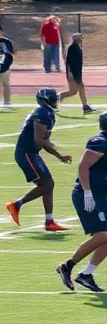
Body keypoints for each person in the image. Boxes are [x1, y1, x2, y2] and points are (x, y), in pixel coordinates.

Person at [55, 110, 107, 293]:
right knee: (101, 236)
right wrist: (87, 192)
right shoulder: (100, 142)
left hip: (100, 194)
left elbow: (100, 172)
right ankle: (67, 266)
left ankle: (86, 275)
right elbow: (84, 166)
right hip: (87, 195)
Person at [6, 87, 72, 232]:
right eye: (54, 99)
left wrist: (59, 156)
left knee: (49, 184)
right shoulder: (42, 113)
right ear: (47, 100)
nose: (56, 101)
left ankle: (49, 222)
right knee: (46, 185)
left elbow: (43, 141)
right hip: (26, 153)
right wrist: (56, 150)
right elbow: (39, 139)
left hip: (31, 153)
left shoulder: (47, 114)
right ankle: (16, 205)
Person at [60, 33, 94, 114]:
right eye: (80, 38)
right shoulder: (73, 47)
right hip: (73, 73)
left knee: (73, 92)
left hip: (75, 72)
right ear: (76, 39)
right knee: (80, 87)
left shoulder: (76, 47)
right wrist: (74, 75)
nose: (81, 39)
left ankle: (59, 96)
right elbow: (71, 62)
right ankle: (85, 106)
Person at [0, 25, 13, 109]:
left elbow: (10, 55)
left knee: (6, 85)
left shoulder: (6, 42)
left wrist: (6, 65)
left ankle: (7, 102)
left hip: (5, 67)